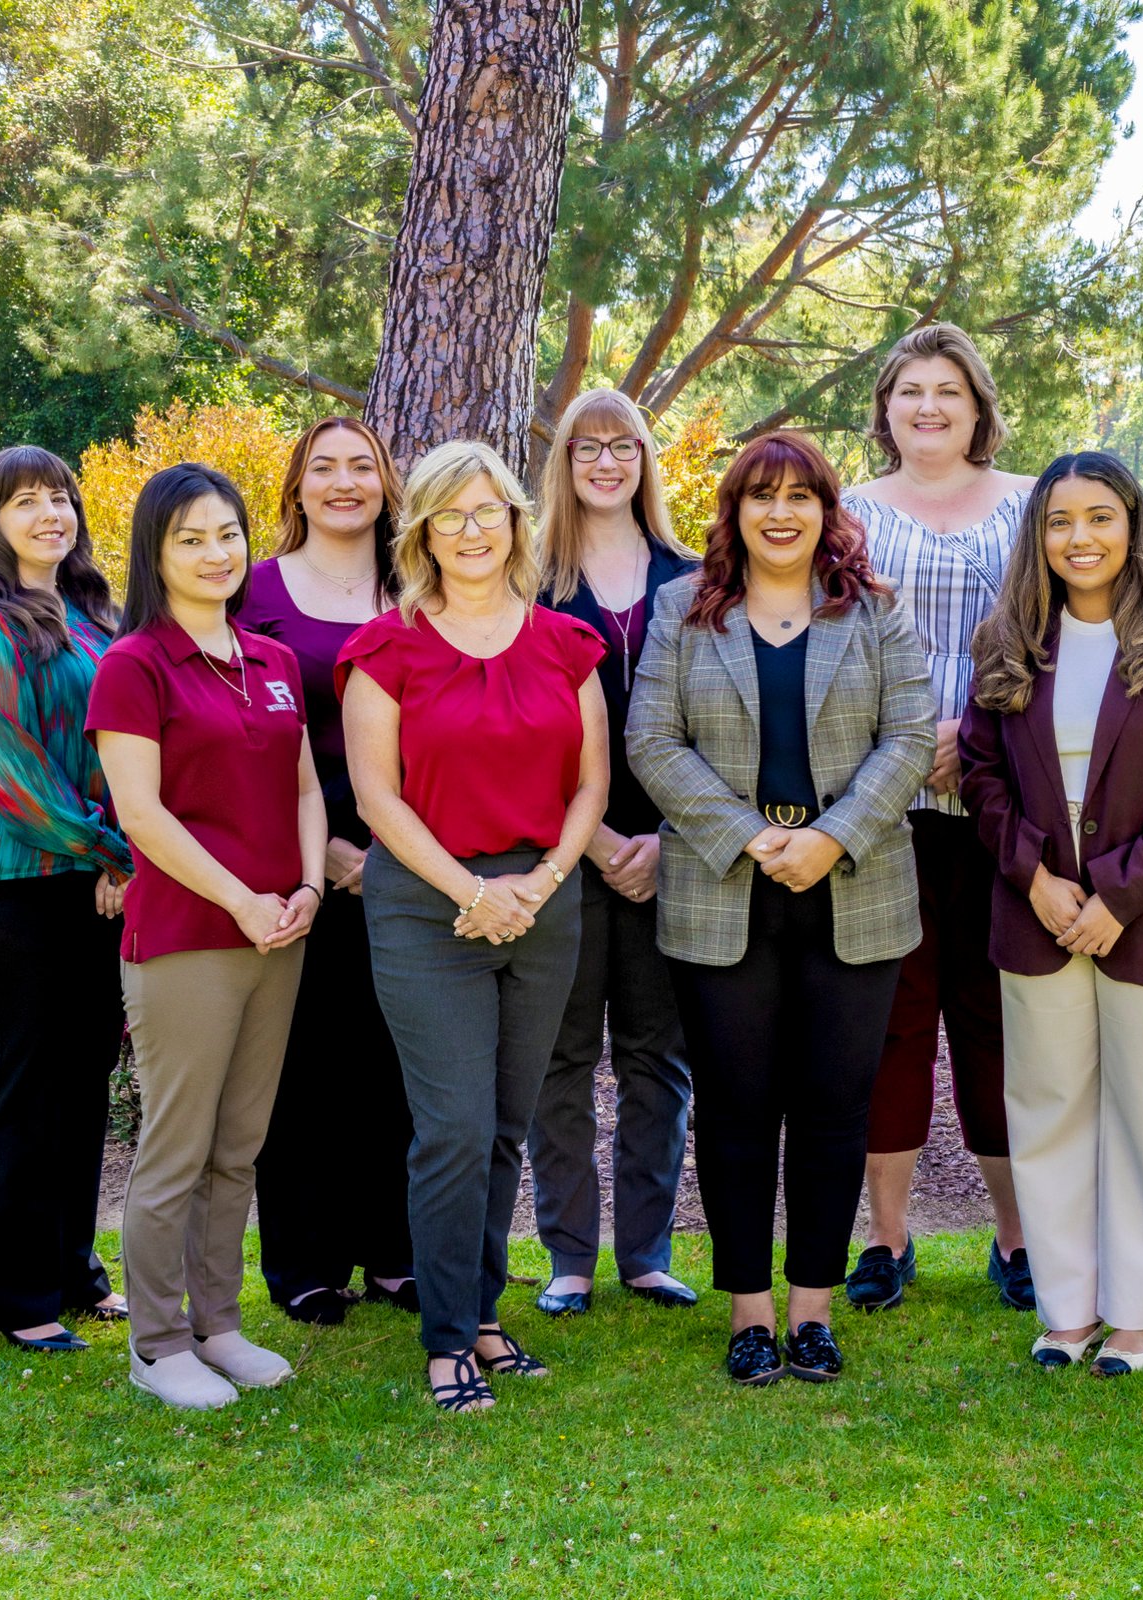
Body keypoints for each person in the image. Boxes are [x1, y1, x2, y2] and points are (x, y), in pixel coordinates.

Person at [626, 432, 935, 1385]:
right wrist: (757, 837)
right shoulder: (682, 610)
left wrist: (831, 836)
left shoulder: (874, 611)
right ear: (735, 511)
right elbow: (652, 740)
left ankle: (813, 1310)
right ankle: (748, 1314)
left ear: (826, 510)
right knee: (736, 1109)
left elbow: (912, 734)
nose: (781, 512)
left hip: (856, 890)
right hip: (725, 893)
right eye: (761, 495)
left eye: (801, 495)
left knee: (837, 1108)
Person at [340, 440, 609, 1413]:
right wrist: (471, 889)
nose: (468, 530)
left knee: (502, 1126)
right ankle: (445, 1339)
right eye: (446, 514)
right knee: (451, 1126)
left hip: (542, 902)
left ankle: (485, 1316)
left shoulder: (566, 646)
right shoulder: (385, 648)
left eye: (485, 510)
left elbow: (592, 785)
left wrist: (539, 880)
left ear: (515, 522)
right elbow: (376, 797)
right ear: (419, 532)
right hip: (425, 905)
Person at [958, 451, 1143, 1377]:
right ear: (1038, 534)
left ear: (1133, 524)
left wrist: (1119, 894)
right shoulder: (1007, 635)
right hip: (1037, 914)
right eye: (1061, 520)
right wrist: (1037, 878)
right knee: (1047, 1114)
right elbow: (982, 775)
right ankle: (1067, 1308)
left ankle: (1140, 1311)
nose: (1081, 538)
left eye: (1101, 517)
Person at [89, 463, 327, 1410]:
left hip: (278, 932)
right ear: (155, 551)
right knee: (178, 1149)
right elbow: (141, 816)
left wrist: (307, 886)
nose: (215, 552)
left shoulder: (271, 660)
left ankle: (218, 1326)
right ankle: (156, 1343)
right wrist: (242, 898)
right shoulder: (134, 666)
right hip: (191, 936)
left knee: (240, 1144)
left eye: (227, 532)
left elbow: (307, 788)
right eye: (190, 537)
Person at [841, 323, 1037, 1311]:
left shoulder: (1033, 503)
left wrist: (981, 731)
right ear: (885, 408)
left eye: (946, 391)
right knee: (893, 1022)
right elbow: (833, 645)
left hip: (1008, 800)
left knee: (998, 1020)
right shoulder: (846, 512)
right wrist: (914, 741)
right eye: (909, 390)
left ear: (976, 407)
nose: (927, 407)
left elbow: (1058, 629)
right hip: (883, 808)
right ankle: (886, 1241)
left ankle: (1016, 1239)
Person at [526, 389, 700, 1317]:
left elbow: (724, 729)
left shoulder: (698, 576)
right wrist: (590, 841)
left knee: (656, 1059)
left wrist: (670, 841)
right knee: (560, 1057)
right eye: (586, 447)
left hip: (674, 852)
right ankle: (566, 1259)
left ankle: (646, 1253)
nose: (604, 461)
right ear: (565, 462)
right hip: (560, 852)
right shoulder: (529, 579)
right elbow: (510, 734)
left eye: (621, 445)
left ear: (644, 457)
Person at [241, 417, 416, 1326]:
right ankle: (305, 1263)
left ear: (386, 484)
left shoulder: (420, 588)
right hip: (292, 863)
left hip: (417, 859)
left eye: (361, 466)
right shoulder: (255, 590)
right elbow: (230, 730)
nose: (344, 482)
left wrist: (400, 849)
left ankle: (395, 1251)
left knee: (398, 1059)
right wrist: (324, 853)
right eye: (324, 467)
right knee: (303, 1061)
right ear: (297, 488)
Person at [0, 446, 131, 1354]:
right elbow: (13, 780)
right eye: (24, 502)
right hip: (13, 891)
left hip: (98, 887)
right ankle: (9, 1292)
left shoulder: (100, 618)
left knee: (81, 1081)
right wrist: (119, 852)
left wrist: (119, 860)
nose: (48, 514)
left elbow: (127, 750)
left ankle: (73, 1270)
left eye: (60, 498)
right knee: (24, 1081)